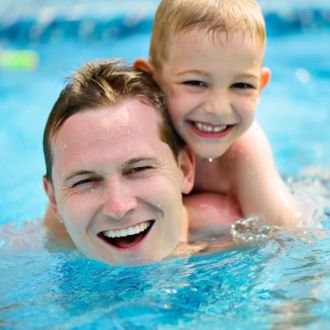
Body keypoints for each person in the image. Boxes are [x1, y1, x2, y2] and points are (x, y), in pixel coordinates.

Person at [42, 59, 237, 266]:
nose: (118, 208)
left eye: (138, 169)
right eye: (84, 181)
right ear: (54, 200)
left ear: (185, 170)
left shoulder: (234, 240)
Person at [134, 0, 301, 229]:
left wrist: (187, 223)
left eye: (242, 86)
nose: (220, 108)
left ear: (260, 87)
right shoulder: (134, 136)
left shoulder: (244, 151)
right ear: (150, 80)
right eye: (195, 82)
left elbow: (285, 234)